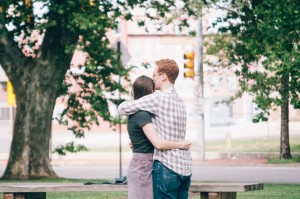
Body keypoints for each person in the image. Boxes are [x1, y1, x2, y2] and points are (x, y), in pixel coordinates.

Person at [118, 59, 192, 199]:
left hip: (167, 167)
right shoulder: (180, 101)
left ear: (163, 76)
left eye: (155, 75)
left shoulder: (157, 98)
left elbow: (122, 108)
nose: (153, 79)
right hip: (185, 167)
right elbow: (165, 128)